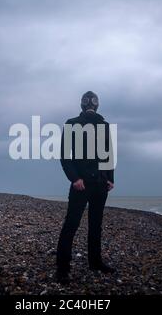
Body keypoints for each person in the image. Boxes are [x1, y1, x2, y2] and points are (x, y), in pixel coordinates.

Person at [56, 91, 115, 284]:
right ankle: (62, 268)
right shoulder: (71, 123)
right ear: (82, 104)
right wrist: (74, 178)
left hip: (100, 183)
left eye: (93, 101)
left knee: (96, 225)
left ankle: (95, 262)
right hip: (80, 184)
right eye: (87, 101)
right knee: (71, 224)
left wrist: (110, 178)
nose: (90, 104)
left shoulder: (105, 126)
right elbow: (65, 155)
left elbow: (108, 154)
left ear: (98, 104)